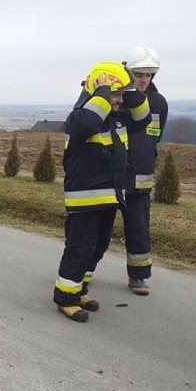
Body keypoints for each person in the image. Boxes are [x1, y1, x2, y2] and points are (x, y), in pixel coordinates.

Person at [52, 61, 151, 322]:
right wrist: (102, 94)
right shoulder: (81, 116)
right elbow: (87, 123)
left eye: (121, 96)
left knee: (98, 247)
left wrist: (131, 91)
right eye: (115, 95)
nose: (119, 100)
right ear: (101, 93)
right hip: (85, 199)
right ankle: (65, 296)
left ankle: (79, 288)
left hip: (109, 197)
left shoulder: (116, 120)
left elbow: (144, 118)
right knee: (80, 248)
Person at [120, 45, 169, 296]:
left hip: (140, 177)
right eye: (139, 74)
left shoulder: (159, 103)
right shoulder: (116, 99)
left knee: (139, 228)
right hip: (112, 177)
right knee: (96, 228)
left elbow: (154, 137)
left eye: (148, 75)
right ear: (128, 72)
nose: (143, 79)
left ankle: (138, 275)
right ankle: (83, 273)